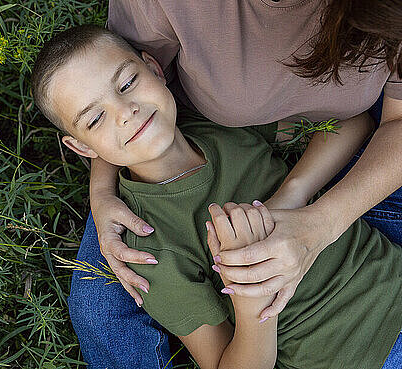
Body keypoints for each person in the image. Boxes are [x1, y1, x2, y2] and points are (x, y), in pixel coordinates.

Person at [30, 25, 402, 368]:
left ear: (155, 69)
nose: (126, 113)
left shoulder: (218, 124)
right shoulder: (148, 247)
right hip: (363, 357)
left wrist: (293, 195)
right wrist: (252, 294)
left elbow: (347, 122)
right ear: (81, 147)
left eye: (127, 83)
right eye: (95, 119)